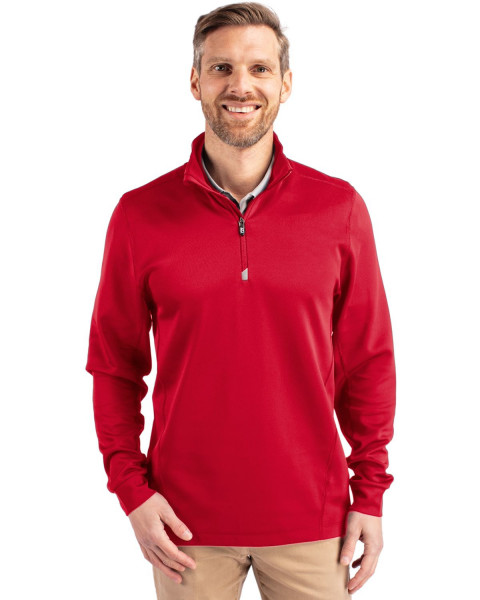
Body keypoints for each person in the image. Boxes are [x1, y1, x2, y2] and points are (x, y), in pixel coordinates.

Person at [85, 3, 396, 598]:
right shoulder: (139, 215)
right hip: (182, 525)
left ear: (285, 83)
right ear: (195, 81)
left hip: (314, 517)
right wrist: (132, 492)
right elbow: (114, 366)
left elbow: (368, 361)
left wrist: (371, 492)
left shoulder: (339, 209)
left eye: (259, 68)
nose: (240, 85)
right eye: (221, 67)